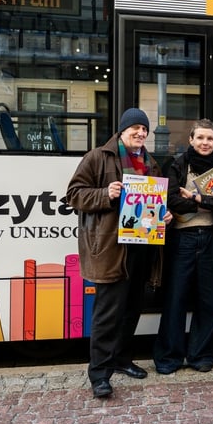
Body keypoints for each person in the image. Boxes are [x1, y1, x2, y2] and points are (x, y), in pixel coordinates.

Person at [66, 108, 172, 399]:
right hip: (112, 249)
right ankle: (99, 374)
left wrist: (164, 216)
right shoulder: (99, 157)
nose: (140, 134)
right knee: (107, 314)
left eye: (144, 130)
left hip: (142, 247)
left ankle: (122, 360)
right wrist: (105, 193)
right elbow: (73, 195)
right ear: (122, 130)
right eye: (135, 128)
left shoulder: (150, 163)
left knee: (131, 309)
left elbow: (153, 206)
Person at [153, 119, 213, 374]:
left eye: (210, 139)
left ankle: (202, 356)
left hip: (211, 239)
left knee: (208, 301)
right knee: (175, 300)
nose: (205, 143)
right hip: (182, 240)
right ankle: (169, 358)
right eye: (200, 138)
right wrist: (207, 203)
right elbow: (171, 200)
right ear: (191, 139)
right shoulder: (178, 165)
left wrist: (198, 198)